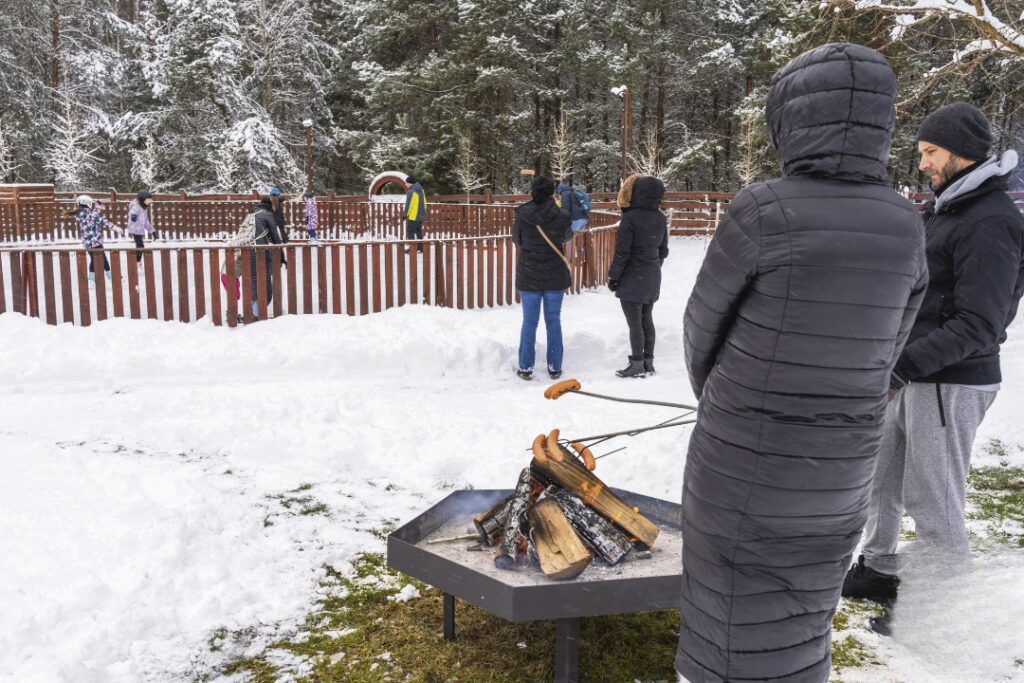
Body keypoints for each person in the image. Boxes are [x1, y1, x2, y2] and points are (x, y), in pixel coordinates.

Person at [678, 43, 927, 683]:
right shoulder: (905, 222)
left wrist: (728, 403)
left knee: (727, 608)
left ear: (791, 119)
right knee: (805, 606)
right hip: (843, 463)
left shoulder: (764, 209)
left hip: (744, 457)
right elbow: (892, 345)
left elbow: (702, 329)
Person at [842, 103, 1024, 620]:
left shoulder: (991, 220)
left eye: (931, 152)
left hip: (951, 381)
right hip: (912, 373)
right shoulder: (947, 209)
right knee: (880, 478)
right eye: (921, 152)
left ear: (962, 152)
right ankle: (879, 569)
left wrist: (904, 365)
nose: (922, 163)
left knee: (933, 497)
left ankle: (943, 609)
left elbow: (980, 323)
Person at [511, 175, 572, 380]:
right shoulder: (562, 215)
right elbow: (567, 236)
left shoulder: (522, 215)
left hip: (529, 273)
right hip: (555, 274)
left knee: (529, 322)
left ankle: (525, 366)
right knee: (553, 321)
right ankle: (555, 366)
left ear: (532, 191)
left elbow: (517, 240)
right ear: (552, 192)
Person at [607, 176, 668, 378]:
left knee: (635, 323)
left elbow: (623, 252)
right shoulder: (660, 218)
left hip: (633, 275)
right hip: (652, 275)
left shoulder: (630, 218)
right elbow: (663, 251)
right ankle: (648, 362)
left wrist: (614, 276)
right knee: (646, 319)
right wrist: (653, 268)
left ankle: (637, 364)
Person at [71, 195, 124, 282]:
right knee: (102, 259)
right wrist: (115, 228)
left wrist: (97, 208)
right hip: (95, 241)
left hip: (87, 243)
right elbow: (103, 221)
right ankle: (109, 277)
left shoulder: (80, 214)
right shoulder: (91, 214)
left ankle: (94, 279)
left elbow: (92, 216)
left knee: (94, 259)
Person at [126, 191, 157, 269]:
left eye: (150, 200)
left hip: (140, 230)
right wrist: (133, 215)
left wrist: (152, 231)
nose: (149, 202)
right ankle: (137, 263)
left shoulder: (144, 208)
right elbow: (132, 212)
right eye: (148, 200)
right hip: (134, 229)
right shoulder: (136, 206)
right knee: (140, 246)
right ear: (142, 199)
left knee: (140, 246)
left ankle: (138, 262)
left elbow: (146, 222)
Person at [404, 175, 427, 253]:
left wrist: (405, 214)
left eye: (406, 183)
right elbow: (424, 202)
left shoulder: (411, 191)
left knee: (410, 232)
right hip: (420, 215)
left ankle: (412, 248)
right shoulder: (421, 190)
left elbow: (408, 204)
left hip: (413, 215)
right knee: (418, 232)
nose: (405, 184)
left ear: (410, 183)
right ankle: (420, 247)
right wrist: (423, 212)